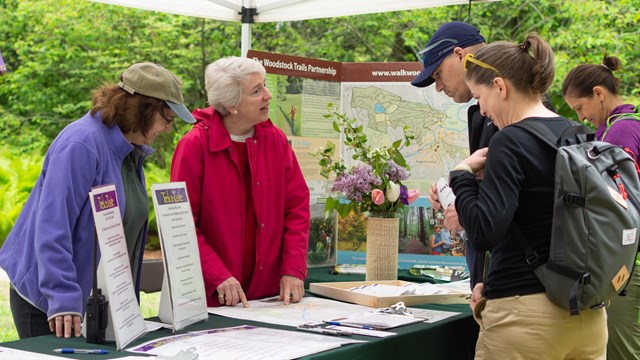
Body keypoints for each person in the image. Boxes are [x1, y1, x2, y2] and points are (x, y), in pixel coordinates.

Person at [0, 62, 196, 339]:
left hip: (92, 303)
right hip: (50, 303)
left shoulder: (130, 150)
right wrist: (63, 297)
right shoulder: (81, 143)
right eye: (167, 118)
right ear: (144, 108)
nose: (167, 129)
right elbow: (53, 225)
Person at [449, 33, 607, 359]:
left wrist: (462, 176)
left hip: (527, 319)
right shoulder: (577, 134)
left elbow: (482, 231)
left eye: (479, 96)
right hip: (588, 315)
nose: (481, 109)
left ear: (500, 86)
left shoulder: (511, 140)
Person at [170, 56, 310, 308]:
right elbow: (180, 224)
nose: (268, 95)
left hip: (270, 299)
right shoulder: (194, 146)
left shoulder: (276, 140)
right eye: (256, 90)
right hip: (213, 297)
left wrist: (292, 269)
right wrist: (217, 275)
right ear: (231, 104)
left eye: (265, 86)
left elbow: (296, 208)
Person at [562, 56, 640, 360]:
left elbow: (613, 203)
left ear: (599, 93)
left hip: (628, 258)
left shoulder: (619, 133)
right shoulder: (628, 124)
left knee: (622, 349)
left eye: (580, 108)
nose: (581, 117)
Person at [412, 21, 498, 286]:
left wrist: (463, 209)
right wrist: (454, 194)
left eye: (438, 74)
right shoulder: (481, 115)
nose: (438, 87)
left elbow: (514, 202)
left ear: (460, 55)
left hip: (512, 283)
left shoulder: (518, 114)